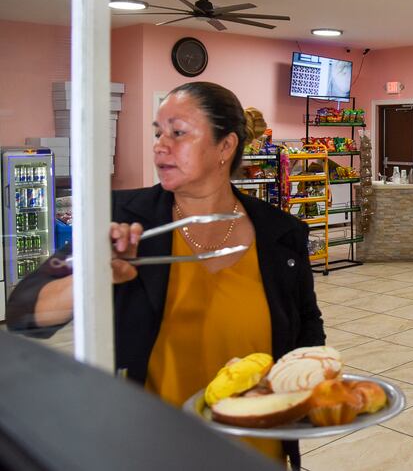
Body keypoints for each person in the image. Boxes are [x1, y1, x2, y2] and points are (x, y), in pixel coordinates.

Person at [7, 81, 324, 465]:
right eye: (158, 132)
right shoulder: (121, 219)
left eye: (178, 133)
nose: (160, 144)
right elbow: (24, 314)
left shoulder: (282, 234)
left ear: (226, 146)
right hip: (147, 450)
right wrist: (92, 274)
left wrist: (315, 394)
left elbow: (307, 330)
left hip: (256, 450)